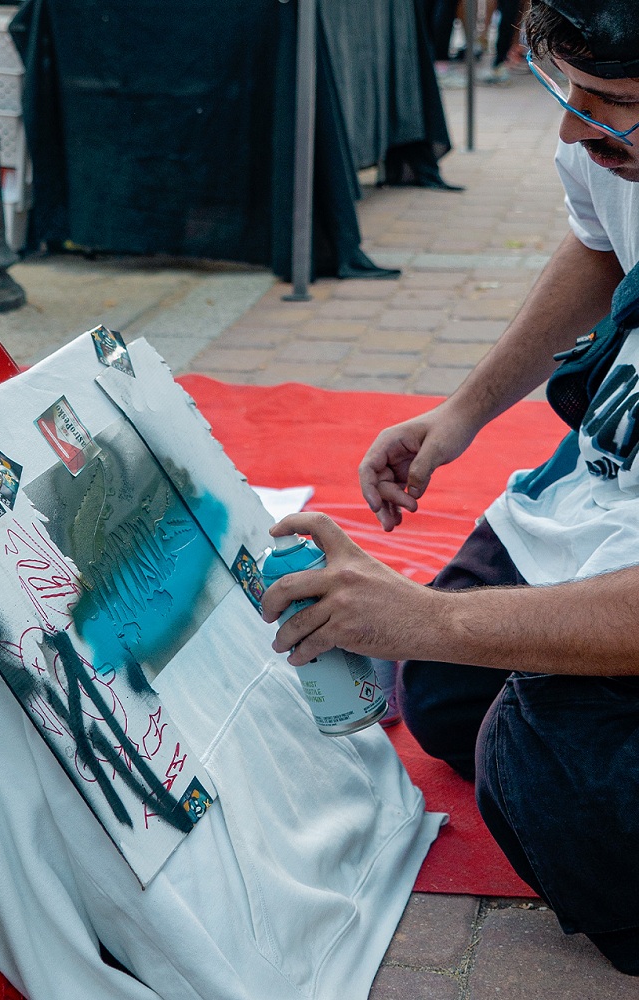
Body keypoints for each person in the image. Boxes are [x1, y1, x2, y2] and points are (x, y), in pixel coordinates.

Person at [262, 0, 639, 976]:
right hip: (610, 478)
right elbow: (600, 240)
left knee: (544, 766)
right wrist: (460, 414)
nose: (572, 129)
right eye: (570, 93)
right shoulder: (611, 150)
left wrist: (422, 620)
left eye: (612, 104)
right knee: (443, 696)